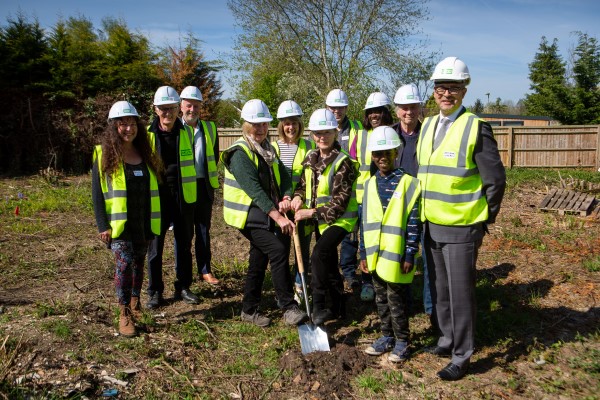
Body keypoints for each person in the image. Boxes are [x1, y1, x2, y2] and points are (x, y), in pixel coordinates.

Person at [418, 57, 506, 380]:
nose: (446, 93)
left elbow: (495, 180)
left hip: (462, 228)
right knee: (441, 289)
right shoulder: (427, 125)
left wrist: (483, 221)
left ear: (464, 90)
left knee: (461, 292)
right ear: (434, 90)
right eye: (441, 87)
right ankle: (446, 339)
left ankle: (462, 354)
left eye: (453, 87)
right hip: (432, 225)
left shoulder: (475, 127)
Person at [220, 99, 308, 327]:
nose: (259, 129)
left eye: (263, 124)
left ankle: (249, 310)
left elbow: (284, 177)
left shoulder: (267, 149)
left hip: (260, 212)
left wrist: (287, 196)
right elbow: (255, 190)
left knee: (258, 259)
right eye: (254, 124)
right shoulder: (239, 152)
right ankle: (288, 306)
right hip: (246, 214)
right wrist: (278, 217)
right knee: (278, 249)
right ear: (245, 125)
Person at [92, 101, 164, 337]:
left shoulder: (145, 152)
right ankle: (123, 313)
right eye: (122, 124)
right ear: (114, 126)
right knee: (123, 266)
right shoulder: (103, 154)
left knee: (139, 265)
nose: (128, 128)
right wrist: (103, 225)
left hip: (143, 221)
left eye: (132, 123)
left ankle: (135, 304)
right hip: (119, 224)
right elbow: (97, 194)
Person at [358, 126, 421, 363]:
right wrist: (363, 251)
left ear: (396, 152)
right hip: (375, 256)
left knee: (397, 300)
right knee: (380, 298)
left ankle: (403, 340)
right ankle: (386, 336)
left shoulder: (408, 183)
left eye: (387, 152)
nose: (382, 158)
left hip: (396, 256)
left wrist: (410, 253)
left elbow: (414, 223)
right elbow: (365, 224)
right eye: (377, 153)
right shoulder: (370, 185)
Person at [292, 109, 359, 325]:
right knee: (329, 262)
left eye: (327, 132)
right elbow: (303, 186)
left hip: (341, 221)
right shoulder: (311, 159)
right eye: (318, 133)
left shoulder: (343, 162)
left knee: (318, 255)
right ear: (312, 135)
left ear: (335, 133)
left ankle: (319, 305)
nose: (322, 137)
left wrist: (309, 212)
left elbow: (338, 204)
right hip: (321, 222)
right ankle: (338, 307)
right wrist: (297, 198)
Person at [146, 86, 200, 309]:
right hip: (156, 197)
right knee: (155, 247)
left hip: (183, 197)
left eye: (170, 108)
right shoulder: (146, 135)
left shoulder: (187, 132)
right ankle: (155, 291)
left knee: (184, 243)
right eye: (162, 108)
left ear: (178, 109)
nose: (167, 113)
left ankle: (183, 286)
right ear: (155, 109)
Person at [392, 84, 434, 324]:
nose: (409, 112)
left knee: (428, 258)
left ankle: (430, 306)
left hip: (425, 203)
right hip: (399, 206)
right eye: (404, 108)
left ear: (420, 109)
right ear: (397, 110)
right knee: (400, 255)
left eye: (413, 107)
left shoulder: (429, 134)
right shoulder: (390, 135)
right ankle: (404, 303)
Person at [351, 91, 394, 302]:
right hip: (364, 199)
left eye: (378, 111)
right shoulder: (360, 136)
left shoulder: (394, 134)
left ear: (386, 112)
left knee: (388, 240)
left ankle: (386, 280)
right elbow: (350, 166)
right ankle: (367, 282)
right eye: (371, 112)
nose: (375, 115)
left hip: (390, 198)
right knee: (366, 241)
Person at [271, 100, 315, 300]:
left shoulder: (310, 146)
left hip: (301, 206)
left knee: (302, 249)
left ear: (300, 124)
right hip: (280, 208)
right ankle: (283, 290)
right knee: (281, 249)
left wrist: (298, 196)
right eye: (287, 123)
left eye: (294, 122)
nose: (291, 127)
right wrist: (282, 199)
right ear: (281, 125)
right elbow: (271, 179)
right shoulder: (273, 148)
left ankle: (300, 285)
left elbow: (312, 178)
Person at [325, 89, 365, 294]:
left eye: (340, 107)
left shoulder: (358, 128)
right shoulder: (322, 127)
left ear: (346, 108)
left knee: (351, 234)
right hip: (328, 189)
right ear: (326, 108)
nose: (336, 111)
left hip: (352, 190)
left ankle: (349, 273)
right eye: (332, 107)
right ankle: (332, 273)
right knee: (328, 234)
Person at [179, 86, 220, 285]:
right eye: (188, 105)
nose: (192, 109)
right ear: (181, 106)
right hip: (184, 188)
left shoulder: (210, 128)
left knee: (203, 231)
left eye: (196, 106)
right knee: (185, 234)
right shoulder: (176, 129)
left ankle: (205, 270)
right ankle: (184, 276)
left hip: (204, 186)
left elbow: (215, 155)